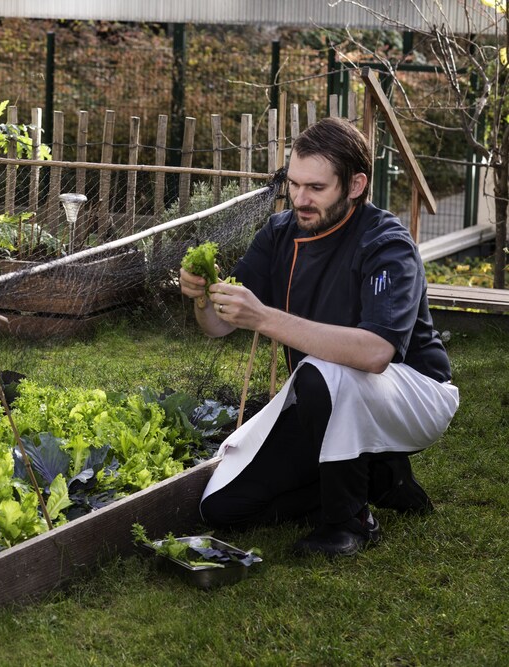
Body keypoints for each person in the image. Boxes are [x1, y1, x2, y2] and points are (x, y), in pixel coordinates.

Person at [179, 117, 460, 557]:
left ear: (355, 185)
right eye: (293, 184)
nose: (300, 199)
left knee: (324, 370)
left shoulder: (387, 243)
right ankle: (381, 477)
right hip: (322, 398)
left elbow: (375, 353)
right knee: (224, 506)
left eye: (316, 187)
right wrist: (201, 297)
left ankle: (350, 522)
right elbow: (218, 326)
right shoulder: (279, 234)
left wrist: (266, 317)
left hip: (417, 395)